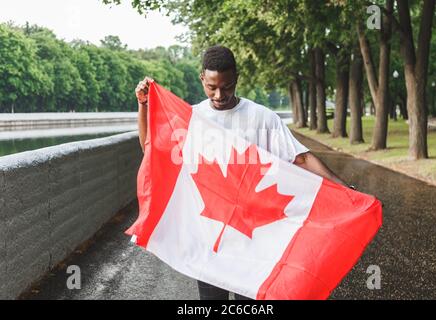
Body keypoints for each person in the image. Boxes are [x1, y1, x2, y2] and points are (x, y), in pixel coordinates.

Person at [135, 45, 352, 300]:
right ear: (202, 78)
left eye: (226, 87)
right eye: (212, 87)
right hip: (211, 237)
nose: (219, 94)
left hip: (254, 238)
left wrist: (345, 190)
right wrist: (144, 105)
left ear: (236, 78)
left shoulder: (262, 118)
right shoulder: (191, 119)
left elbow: (301, 158)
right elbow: (151, 149)